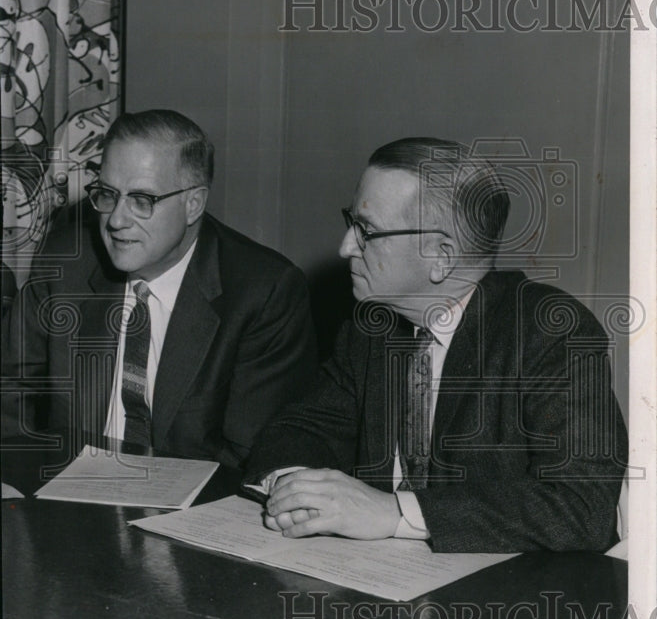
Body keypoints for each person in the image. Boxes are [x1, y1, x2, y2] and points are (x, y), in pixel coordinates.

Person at [244, 137, 628, 552]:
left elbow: (582, 508)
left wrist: (395, 513)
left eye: (367, 231)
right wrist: (297, 486)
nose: (345, 247)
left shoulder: (549, 332)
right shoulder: (369, 331)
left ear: (442, 256)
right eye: (350, 222)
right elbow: (300, 427)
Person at [2, 109, 317, 467]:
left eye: (142, 200)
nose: (116, 220)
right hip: (68, 497)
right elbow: (9, 392)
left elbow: (253, 457)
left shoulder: (264, 292)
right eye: (107, 194)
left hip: (194, 511)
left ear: (193, 203)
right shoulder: (65, 263)